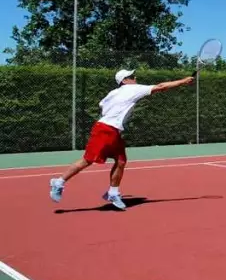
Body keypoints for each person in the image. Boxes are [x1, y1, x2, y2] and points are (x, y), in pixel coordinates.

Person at [49, 69, 195, 210]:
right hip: (105, 130)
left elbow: (102, 105)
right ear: (124, 81)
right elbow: (161, 87)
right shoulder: (133, 89)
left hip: (112, 130)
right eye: (131, 76)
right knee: (87, 160)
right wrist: (183, 81)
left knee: (121, 161)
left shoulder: (113, 93)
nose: (135, 78)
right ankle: (59, 182)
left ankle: (112, 193)